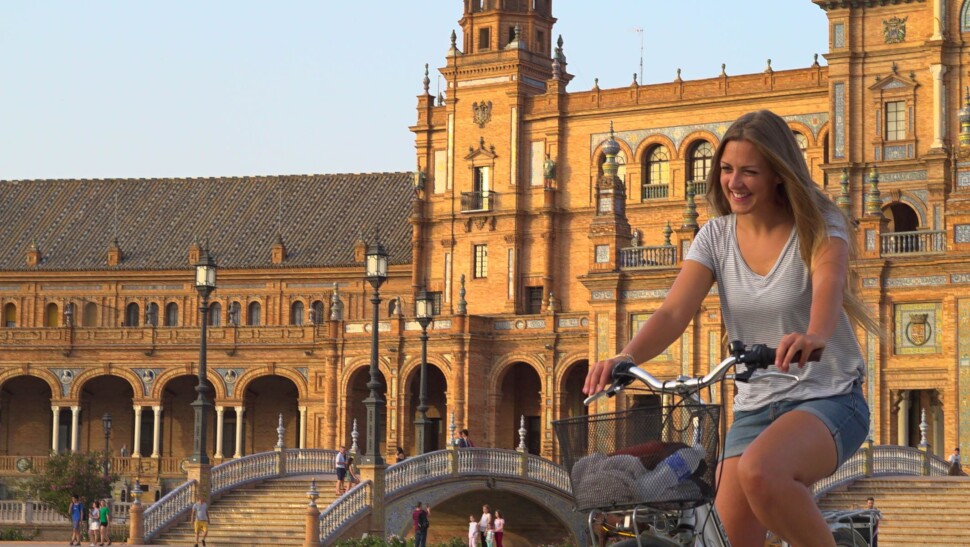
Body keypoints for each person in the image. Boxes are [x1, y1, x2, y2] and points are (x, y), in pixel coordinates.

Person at [584, 110, 877, 547]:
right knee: (724, 537)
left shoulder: (820, 223)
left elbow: (828, 283)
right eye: (725, 169)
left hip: (829, 398)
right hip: (755, 409)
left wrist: (815, 334)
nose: (733, 182)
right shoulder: (715, 237)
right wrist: (626, 358)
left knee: (763, 471)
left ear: (779, 174)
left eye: (749, 172)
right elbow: (673, 312)